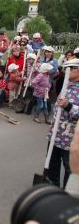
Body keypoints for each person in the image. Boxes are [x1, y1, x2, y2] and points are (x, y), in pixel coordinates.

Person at [46, 58, 79, 188]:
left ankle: (68, 193)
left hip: (71, 136)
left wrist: (69, 106)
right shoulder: (66, 85)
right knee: (52, 161)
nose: (66, 72)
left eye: (69, 69)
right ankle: (53, 187)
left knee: (69, 165)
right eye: (65, 69)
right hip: (56, 133)